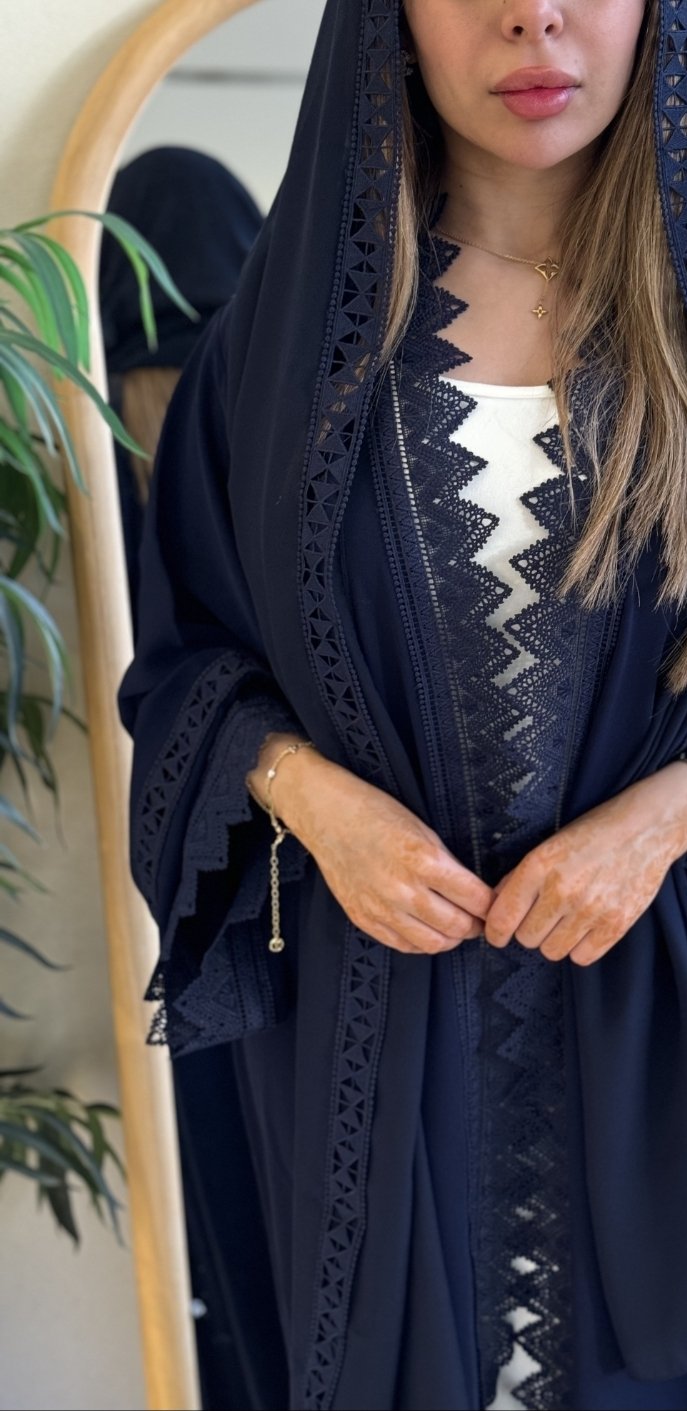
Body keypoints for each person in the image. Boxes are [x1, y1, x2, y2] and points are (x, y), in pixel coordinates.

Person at [118, 1, 687, 1407]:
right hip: (364, 1044)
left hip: (658, 1053)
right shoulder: (275, 358)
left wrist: (675, 813)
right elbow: (184, 669)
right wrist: (315, 798)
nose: (532, 15)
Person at [101, 147, 289, 1409]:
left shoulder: (118, 469)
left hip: (205, 883)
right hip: (287, 885)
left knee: (232, 1196)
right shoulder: (271, 432)